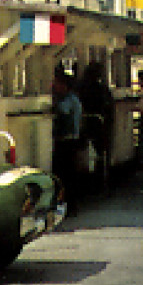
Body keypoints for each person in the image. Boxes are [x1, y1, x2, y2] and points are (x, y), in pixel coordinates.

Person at [77, 60, 115, 192]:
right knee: (102, 155)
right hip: (100, 124)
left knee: (84, 154)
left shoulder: (81, 88)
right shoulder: (102, 89)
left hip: (85, 124)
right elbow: (109, 106)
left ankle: (87, 183)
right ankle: (102, 183)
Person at [51, 70, 84, 210]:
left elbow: (62, 110)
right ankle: (70, 203)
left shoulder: (69, 100)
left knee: (65, 174)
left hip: (67, 141)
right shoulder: (74, 98)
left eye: (56, 84)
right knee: (69, 173)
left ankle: (68, 204)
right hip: (72, 140)